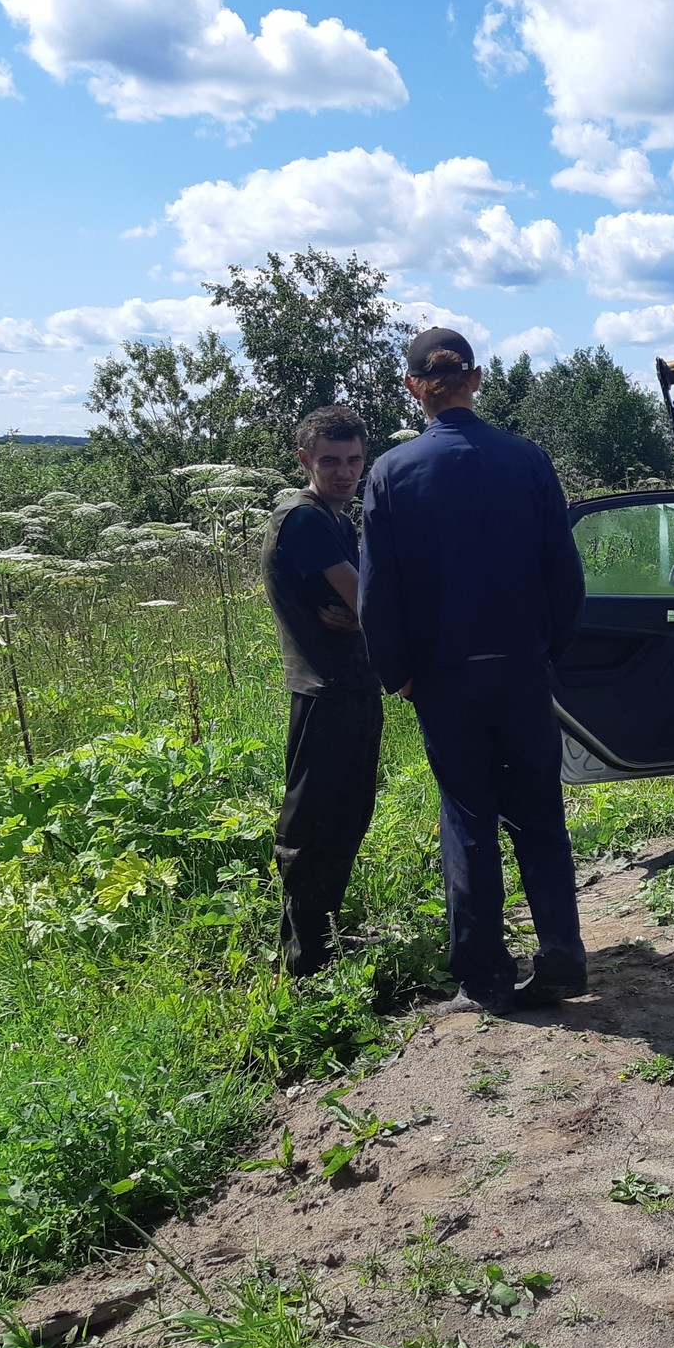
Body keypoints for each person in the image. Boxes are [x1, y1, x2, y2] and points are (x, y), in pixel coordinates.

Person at [358, 328, 590, 1015]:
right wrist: (549, 654)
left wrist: (397, 673)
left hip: (443, 677)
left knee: (467, 820)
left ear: (412, 387)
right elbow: (564, 578)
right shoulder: (526, 460)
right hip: (520, 671)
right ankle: (562, 960)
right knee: (540, 815)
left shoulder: (393, 474)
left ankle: (485, 976)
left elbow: (378, 596)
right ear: (478, 379)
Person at [261, 404, 384, 978]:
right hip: (325, 694)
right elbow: (371, 602)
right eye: (331, 460)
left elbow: (370, 606)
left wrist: (369, 616)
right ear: (305, 458)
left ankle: (324, 944)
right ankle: (305, 963)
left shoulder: (339, 518)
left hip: (353, 688)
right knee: (313, 829)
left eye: (354, 460)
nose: (344, 472)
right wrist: (370, 615)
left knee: (348, 820)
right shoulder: (305, 519)